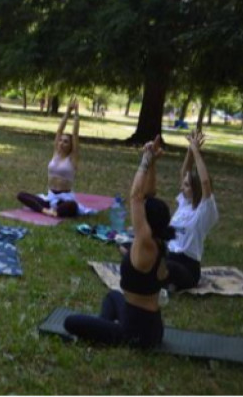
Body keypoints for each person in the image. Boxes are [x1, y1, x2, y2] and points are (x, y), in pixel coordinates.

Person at [63, 137, 175, 348]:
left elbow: (137, 197)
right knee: (113, 296)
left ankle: (107, 333)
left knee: (70, 322)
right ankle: (104, 329)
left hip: (137, 332)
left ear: (147, 223)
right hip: (148, 323)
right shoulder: (157, 240)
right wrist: (153, 164)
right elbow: (149, 194)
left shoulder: (146, 243)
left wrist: (145, 159)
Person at [165, 129, 218, 291]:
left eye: (187, 185)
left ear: (196, 189)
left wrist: (196, 152)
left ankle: (165, 282)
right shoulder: (184, 203)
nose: (182, 187)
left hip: (187, 267)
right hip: (169, 256)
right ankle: (164, 281)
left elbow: (205, 183)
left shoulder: (204, 209)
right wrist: (190, 150)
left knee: (163, 267)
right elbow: (184, 173)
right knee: (135, 248)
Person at [16, 98, 82, 217]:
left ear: (71, 145)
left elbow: (76, 135)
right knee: (21, 195)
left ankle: (56, 211)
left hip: (64, 199)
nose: (61, 143)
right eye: (60, 141)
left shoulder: (72, 158)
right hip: (50, 197)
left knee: (72, 206)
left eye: (66, 142)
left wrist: (76, 113)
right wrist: (67, 113)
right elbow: (58, 131)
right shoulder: (55, 154)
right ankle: (46, 211)